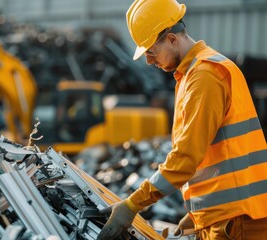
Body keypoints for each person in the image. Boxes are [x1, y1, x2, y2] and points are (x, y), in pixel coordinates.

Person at [97, 0, 267, 239]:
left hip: (236, 220)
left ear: (172, 39)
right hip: (229, 216)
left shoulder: (205, 76)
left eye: (151, 52)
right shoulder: (193, 75)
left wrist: (133, 204)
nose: (149, 61)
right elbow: (214, 157)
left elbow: (186, 157)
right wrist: (198, 213)